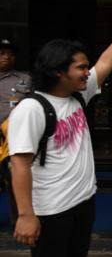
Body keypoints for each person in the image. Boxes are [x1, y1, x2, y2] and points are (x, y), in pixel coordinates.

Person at [7, 8, 112, 257]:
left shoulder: (76, 95)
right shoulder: (32, 109)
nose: (87, 72)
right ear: (59, 71)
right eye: (81, 67)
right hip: (51, 210)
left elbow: (108, 61)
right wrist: (26, 215)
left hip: (83, 202)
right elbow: (19, 165)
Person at [0, 39, 32, 223]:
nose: (6, 57)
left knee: (15, 179)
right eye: (2, 53)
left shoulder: (24, 79)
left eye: (10, 54)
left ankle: (18, 219)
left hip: (13, 139)